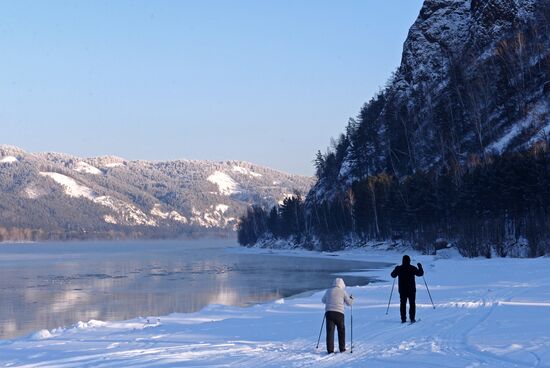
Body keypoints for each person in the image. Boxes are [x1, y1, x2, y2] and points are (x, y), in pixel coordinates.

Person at [321, 277, 353, 353]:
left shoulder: (328, 291)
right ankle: (342, 348)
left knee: (330, 332)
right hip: (339, 314)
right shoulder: (342, 292)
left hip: (329, 313)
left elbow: (323, 300)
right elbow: (349, 303)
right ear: (342, 284)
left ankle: (330, 350)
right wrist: (352, 298)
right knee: (341, 331)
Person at [391, 255, 424, 323]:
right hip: (411, 289)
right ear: (409, 260)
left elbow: (393, 275)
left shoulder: (399, 268)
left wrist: (395, 269)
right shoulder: (412, 268)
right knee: (412, 303)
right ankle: (412, 318)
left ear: (402, 260)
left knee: (403, 304)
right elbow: (420, 273)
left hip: (402, 290)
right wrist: (420, 267)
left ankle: (403, 319)